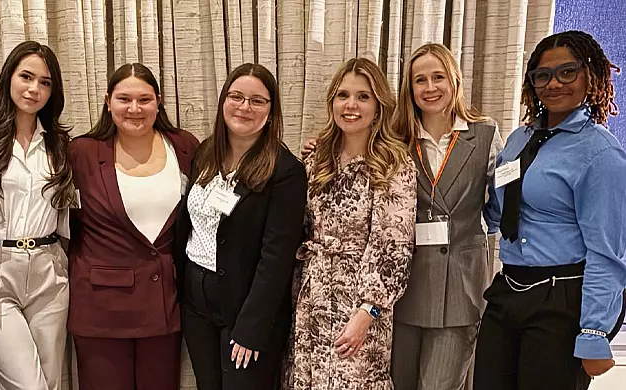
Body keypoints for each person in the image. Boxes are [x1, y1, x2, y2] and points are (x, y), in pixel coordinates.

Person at [475, 30, 626, 390]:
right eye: (542, 75)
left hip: (560, 298)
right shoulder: (518, 140)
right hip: (507, 288)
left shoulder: (601, 154)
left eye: (567, 72)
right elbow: (496, 210)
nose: (554, 84)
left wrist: (593, 331)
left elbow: (608, 253)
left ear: (591, 75)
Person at [173, 63, 307, 390]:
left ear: (271, 112)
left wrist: (252, 328)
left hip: (246, 310)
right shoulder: (205, 153)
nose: (244, 107)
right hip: (197, 305)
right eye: (236, 96)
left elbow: (276, 258)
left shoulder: (285, 171)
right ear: (223, 102)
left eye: (257, 100)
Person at [288, 57, 417, 390]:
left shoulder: (394, 163)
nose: (351, 105)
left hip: (361, 303)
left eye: (363, 96)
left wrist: (367, 313)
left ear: (378, 106)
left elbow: (394, 245)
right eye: (343, 95)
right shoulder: (315, 159)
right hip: (311, 294)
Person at [67, 63, 198, 390]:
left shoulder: (185, 147)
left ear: (159, 101)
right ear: (108, 101)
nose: (135, 109)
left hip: (165, 305)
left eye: (144, 99)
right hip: (100, 310)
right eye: (124, 99)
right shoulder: (82, 152)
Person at [388, 43, 503, 390]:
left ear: (455, 81)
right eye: (420, 80)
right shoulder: (395, 138)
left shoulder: (484, 134)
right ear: (409, 89)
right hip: (403, 288)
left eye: (438, 77)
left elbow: (497, 209)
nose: (430, 87)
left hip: (461, 289)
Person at [0, 40, 73, 390]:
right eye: (26, 76)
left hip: (49, 268)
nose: (34, 89)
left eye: (45, 82)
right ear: (8, 77)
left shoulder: (58, 143)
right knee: (28, 386)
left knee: (52, 381)